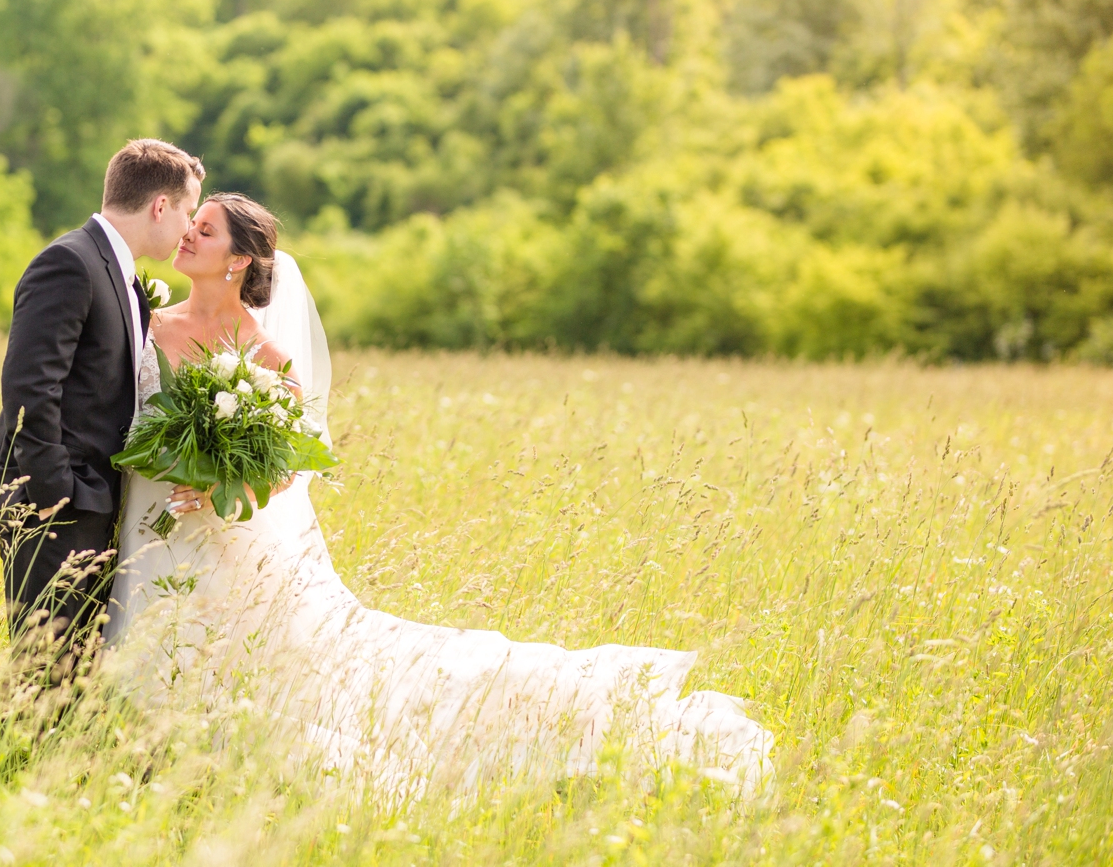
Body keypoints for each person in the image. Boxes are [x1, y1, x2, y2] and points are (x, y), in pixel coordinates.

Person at [104, 193, 775, 798]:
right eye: (191, 224)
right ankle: (142, 759)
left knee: (267, 662)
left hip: (228, 539)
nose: (187, 233)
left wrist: (220, 487)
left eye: (206, 229)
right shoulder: (149, 320)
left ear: (239, 260)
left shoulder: (269, 358)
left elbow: (283, 471)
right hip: (146, 520)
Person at [0, 138, 203, 676]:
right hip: (52, 505)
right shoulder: (70, 262)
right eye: (188, 211)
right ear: (159, 206)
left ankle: (46, 761)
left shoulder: (116, 268)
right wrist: (57, 493)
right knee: (45, 670)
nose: (188, 227)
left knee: (72, 670)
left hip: (90, 503)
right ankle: (10, 762)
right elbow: (29, 386)